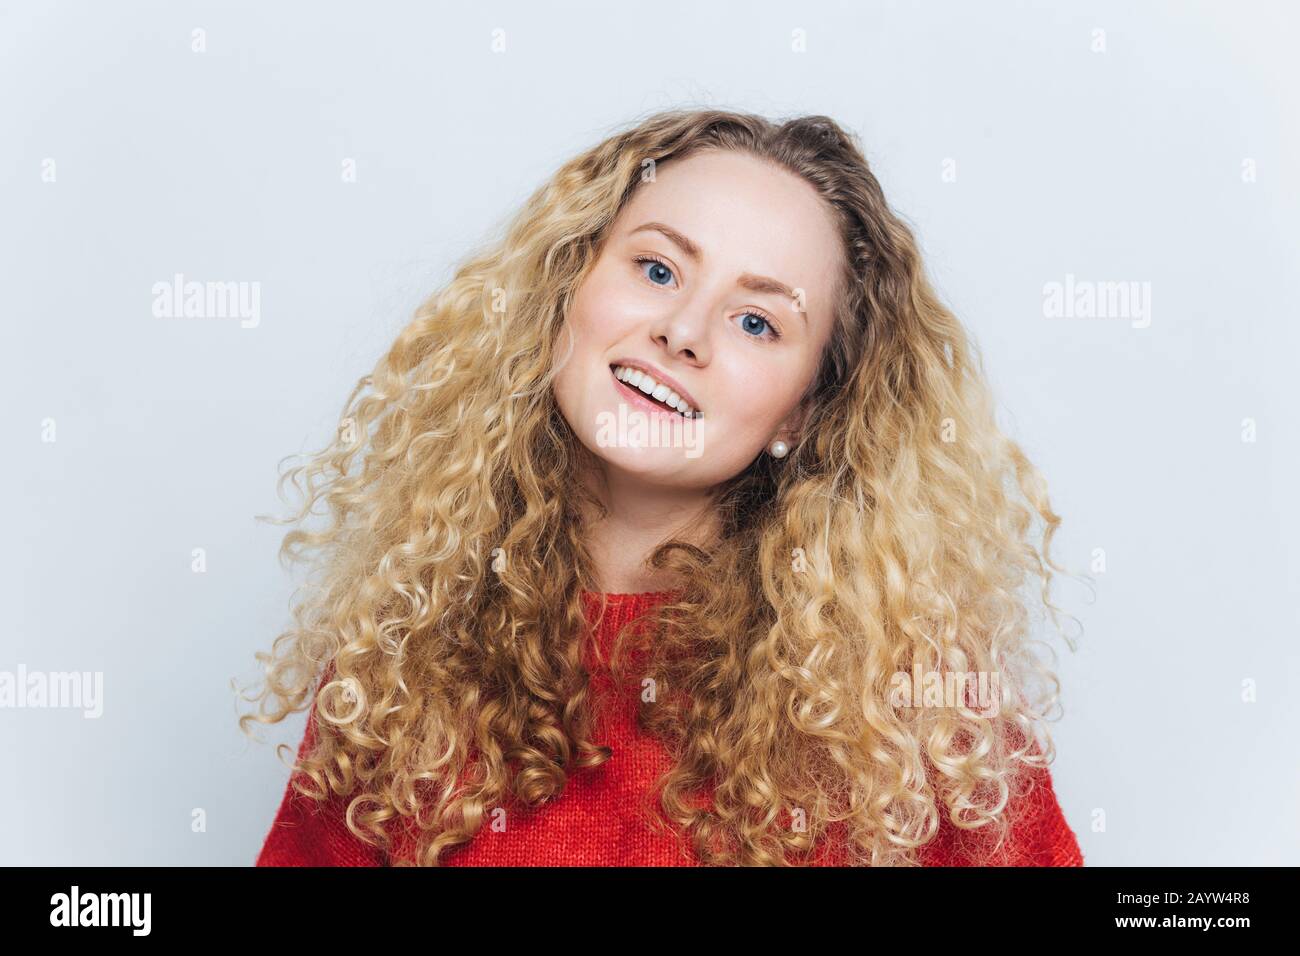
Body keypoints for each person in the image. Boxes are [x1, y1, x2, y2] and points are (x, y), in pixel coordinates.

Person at [241, 109, 1086, 867]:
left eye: (757, 322)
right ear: (565, 289)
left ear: (805, 408)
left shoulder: (902, 691)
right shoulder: (407, 647)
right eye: (655, 269)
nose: (682, 332)